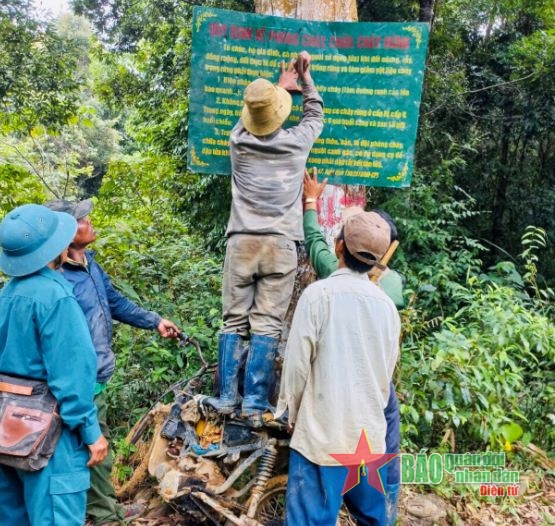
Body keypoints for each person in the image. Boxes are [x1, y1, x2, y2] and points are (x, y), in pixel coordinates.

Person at [206, 50, 324, 427]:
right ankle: (255, 402)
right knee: (267, 324)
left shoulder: (237, 142)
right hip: (280, 244)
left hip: (242, 242)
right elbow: (315, 113)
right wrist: (300, 80)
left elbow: (253, 118)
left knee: (232, 322)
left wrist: (276, 88)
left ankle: (226, 397)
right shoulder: (297, 143)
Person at [44, 198, 180, 526]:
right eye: (81, 220)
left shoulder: (89, 264)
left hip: (99, 375)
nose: (89, 221)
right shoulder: (58, 279)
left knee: (97, 448)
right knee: (90, 450)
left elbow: (115, 302)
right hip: (78, 382)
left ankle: (108, 509)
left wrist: (154, 320)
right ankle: (104, 516)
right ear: (64, 232)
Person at [276, 206, 401, 525]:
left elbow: (297, 367)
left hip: (321, 438)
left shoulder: (319, 295)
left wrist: (290, 411)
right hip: (368, 441)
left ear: (339, 246)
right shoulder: (387, 307)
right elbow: (386, 376)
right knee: (374, 519)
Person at [0, 204, 108, 526]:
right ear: (55, 247)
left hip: (7, 429)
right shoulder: (56, 297)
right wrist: (91, 432)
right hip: (49, 436)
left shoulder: (7, 293)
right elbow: (72, 377)